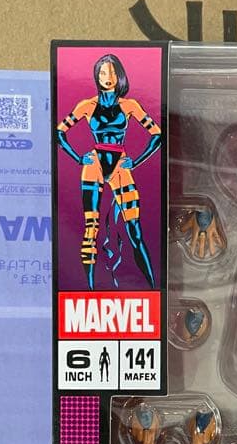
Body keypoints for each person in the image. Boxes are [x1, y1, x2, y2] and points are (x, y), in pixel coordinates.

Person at [56, 53, 161, 289]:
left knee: (134, 229)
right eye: (103, 72)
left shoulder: (130, 105)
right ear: (96, 76)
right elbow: (59, 132)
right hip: (93, 165)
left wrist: (136, 161)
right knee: (91, 230)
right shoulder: (87, 105)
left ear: (119, 75)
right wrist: (78, 158)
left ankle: (154, 288)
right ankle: (90, 290)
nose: (107, 76)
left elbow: (157, 135)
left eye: (112, 72)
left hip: (120, 165)